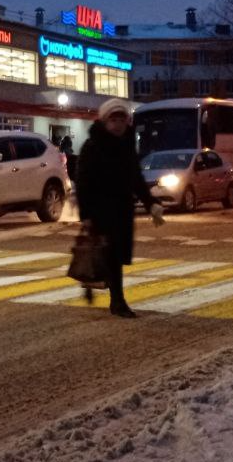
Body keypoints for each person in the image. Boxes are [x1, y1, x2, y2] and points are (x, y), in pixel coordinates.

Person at [76, 99, 165, 318]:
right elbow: (83, 182)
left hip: (123, 209)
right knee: (110, 254)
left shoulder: (126, 146)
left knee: (113, 255)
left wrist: (151, 203)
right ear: (105, 121)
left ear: (127, 122)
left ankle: (99, 285)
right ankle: (117, 301)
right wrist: (86, 214)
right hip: (101, 210)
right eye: (113, 119)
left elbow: (136, 178)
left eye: (121, 119)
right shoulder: (92, 146)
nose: (117, 124)